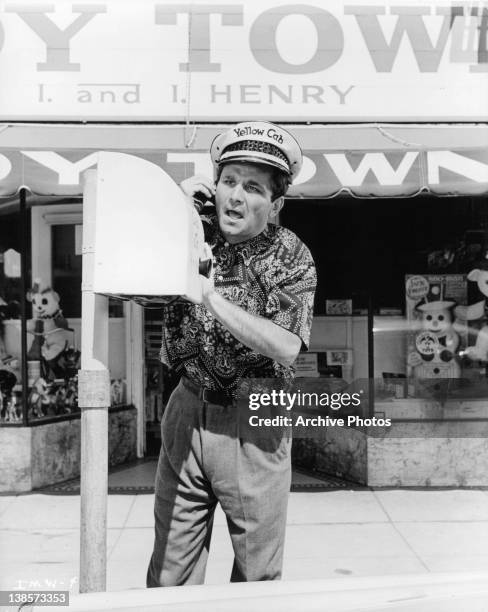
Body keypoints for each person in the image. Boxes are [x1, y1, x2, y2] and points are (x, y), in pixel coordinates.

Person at [147, 121, 317, 587]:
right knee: (169, 567)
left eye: (253, 187)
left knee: (256, 574)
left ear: (276, 204)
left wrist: (211, 298)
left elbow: (286, 344)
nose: (236, 197)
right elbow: (137, 282)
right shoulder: (192, 232)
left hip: (253, 420)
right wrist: (173, 205)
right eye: (228, 181)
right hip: (185, 407)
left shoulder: (290, 255)